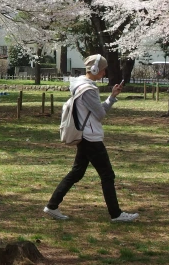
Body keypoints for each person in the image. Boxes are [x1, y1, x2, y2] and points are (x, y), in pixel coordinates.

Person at [44, 54, 139, 223]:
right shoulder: (88, 89)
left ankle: (52, 205)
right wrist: (111, 99)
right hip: (91, 137)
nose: (104, 73)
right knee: (107, 175)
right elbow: (100, 114)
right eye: (102, 70)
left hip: (85, 135)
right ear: (94, 69)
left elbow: (94, 110)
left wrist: (112, 96)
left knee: (77, 173)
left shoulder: (79, 85)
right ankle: (116, 214)